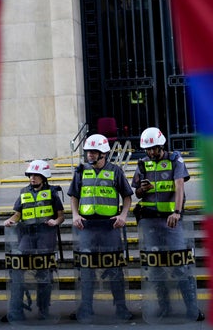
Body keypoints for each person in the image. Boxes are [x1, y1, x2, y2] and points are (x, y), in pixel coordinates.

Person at [132, 127, 205, 321]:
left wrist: (177, 212)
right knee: (156, 266)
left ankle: (192, 308)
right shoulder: (142, 164)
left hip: (171, 221)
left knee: (179, 263)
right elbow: (137, 194)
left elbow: (179, 186)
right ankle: (164, 307)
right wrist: (141, 189)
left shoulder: (174, 160)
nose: (150, 153)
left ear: (161, 145)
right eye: (147, 149)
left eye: (153, 149)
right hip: (150, 221)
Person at [67, 133, 134, 321]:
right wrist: (74, 214)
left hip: (109, 227)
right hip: (86, 226)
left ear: (103, 153)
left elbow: (127, 196)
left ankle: (121, 308)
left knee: (114, 267)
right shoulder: (80, 171)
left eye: (94, 152)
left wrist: (123, 215)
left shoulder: (116, 171)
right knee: (86, 269)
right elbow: (74, 195)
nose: (89, 155)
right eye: (88, 151)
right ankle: (85, 308)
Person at [2, 160, 65, 322]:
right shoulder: (23, 192)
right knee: (18, 271)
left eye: (36, 175)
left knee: (44, 274)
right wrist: (11, 220)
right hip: (27, 236)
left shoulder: (52, 193)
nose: (32, 178)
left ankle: (43, 309)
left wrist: (55, 222)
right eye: (31, 175)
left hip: (45, 235)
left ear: (44, 177)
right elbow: (18, 214)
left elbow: (60, 216)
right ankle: (16, 309)